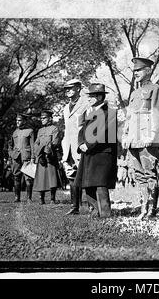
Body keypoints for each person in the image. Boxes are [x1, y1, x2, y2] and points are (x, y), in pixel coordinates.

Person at [122, 57, 159, 219]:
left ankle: (152, 210)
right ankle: (143, 208)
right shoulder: (134, 93)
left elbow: (157, 112)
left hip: (147, 139)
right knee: (138, 175)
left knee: (149, 173)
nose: (136, 73)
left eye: (139, 70)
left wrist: (152, 135)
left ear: (148, 71)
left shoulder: (155, 89)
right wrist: (125, 136)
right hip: (133, 139)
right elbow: (129, 116)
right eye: (134, 71)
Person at [74, 83, 117, 218]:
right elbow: (82, 130)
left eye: (92, 96)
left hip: (101, 153)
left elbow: (103, 134)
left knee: (100, 184)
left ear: (99, 97)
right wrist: (81, 143)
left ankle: (105, 214)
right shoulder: (90, 112)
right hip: (88, 152)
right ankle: (94, 211)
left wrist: (88, 145)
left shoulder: (109, 113)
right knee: (88, 183)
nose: (89, 99)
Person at [61, 79, 90, 215]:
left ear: (78, 88)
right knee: (71, 176)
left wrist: (86, 143)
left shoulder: (86, 104)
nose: (67, 90)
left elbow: (89, 126)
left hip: (81, 146)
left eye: (70, 88)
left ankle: (92, 206)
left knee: (86, 176)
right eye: (66, 88)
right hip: (68, 147)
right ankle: (74, 207)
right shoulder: (66, 108)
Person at [33, 110, 61, 204]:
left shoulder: (54, 128)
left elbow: (55, 142)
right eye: (41, 118)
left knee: (52, 178)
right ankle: (42, 199)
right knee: (41, 178)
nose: (42, 120)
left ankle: (52, 199)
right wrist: (39, 154)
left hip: (50, 156)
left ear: (50, 118)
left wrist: (46, 151)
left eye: (44, 118)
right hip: (41, 157)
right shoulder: (40, 130)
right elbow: (36, 143)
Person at [9, 113, 35, 202]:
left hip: (26, 157)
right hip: (16, 158)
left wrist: (33, 158)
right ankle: (17, 197)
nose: (17, 122)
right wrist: (11, 154)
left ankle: (29, 198)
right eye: (17, 120)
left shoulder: (30, 131)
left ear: (24, 121)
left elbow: (33, 146)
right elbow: (10, 145)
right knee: (16, 177)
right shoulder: (14, 132)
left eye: (19, 120)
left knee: (28, 178)